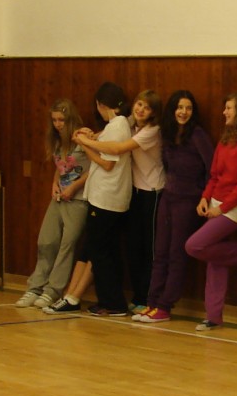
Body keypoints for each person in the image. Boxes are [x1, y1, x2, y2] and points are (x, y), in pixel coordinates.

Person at [185, 92, 237, 331]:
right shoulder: (226, 139)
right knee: (215, 257)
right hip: (215, 204)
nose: (224, 112)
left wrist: (222, 208)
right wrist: (205, 198)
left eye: (229, 108)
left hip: (236, 208)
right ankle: (214, 316)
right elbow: (214, 176)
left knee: (194, 245)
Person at [134, 90, 213, 324]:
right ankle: (152, 302)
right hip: (168, 196)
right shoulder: (167, 133)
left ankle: (165, 306)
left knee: (176, 254)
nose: (183, 112)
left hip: (188, 200)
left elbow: (212, 168)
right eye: (180, 107)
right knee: (160, 251)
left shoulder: (198, 135)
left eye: (188, 108)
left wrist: (204, 197)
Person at [84, 90, 164, 315]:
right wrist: (92, 135)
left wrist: (84, 141)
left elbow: (117, 148)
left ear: (153, 113)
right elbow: (108, 135)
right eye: (139, 104)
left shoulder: (151, 131)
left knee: (149, 248)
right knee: (132, 246)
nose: (141, 110)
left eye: (147, 108)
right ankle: (137, 297)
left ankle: (149, 298)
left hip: (152, 192)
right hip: (134, 191)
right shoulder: (129, 123)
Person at [16, 99, 90, 310]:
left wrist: (74, 187)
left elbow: (93, 169)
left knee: (67, 245)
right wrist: (54, 182)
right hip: (59, 198)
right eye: (55, 120)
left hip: (78, 199)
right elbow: (61, 167)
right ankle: (35, 287)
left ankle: (53, 290)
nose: (58, 124)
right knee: (46, 241)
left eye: (62, 120)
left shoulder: (83, 138)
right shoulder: (58, 142)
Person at [71, 82, 133, 316]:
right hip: (109, 197)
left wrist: (84, 144)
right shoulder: (117, 124)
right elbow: (103, 146)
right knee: (108, 249)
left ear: (100, 104)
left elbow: (107, 163)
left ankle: (112, 302)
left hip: (106, 198)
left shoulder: (118, 126)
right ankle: (111, 301)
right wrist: (89, 138)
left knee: (100, 252)